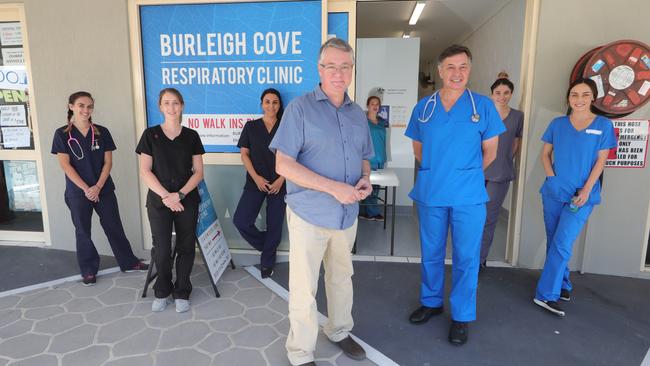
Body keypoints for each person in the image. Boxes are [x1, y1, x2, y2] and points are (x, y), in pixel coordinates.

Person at [269, 38, 373, 366]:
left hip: (346, 215)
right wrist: (333, 188)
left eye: (345, 67)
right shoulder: (300, 109)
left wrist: (365, 179)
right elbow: (282, 165)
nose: (338, 73)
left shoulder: (358, 114)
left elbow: (365, 158)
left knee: (342, 277)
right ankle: (300, 353)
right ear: (320, 69)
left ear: (352, 70)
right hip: (309, 215)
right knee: (304, 288)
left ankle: (339, 330)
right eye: (332, 66)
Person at [404, 45, 505, 345]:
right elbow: (418, 149)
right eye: (450, 67)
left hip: (468, 197)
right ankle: (432, 302)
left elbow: (491, 151)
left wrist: (464, 173)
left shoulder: (482, 106)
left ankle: (461, 316)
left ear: (469, 70)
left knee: (466, 257)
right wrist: (439, 171)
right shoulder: (424, 108)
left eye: (463, 67)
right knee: (431, 253)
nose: (457, 73)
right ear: (439, 71)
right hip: (432, 192)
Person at [533, 78, 616, 317]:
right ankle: (562, 284)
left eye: (584, 94)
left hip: (581, 197)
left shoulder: (602, 125)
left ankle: (545, 295)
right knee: (554, 241)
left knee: (562, 242)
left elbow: (601, 160)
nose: (578, 99)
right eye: (574, 95)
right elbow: (546, 155)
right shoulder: (557, 124)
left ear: (593, 97)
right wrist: (552, 179)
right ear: (568, 98)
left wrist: (587, 190)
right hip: (553, 193)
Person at [51, 91, 148, 286]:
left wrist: (97, 187)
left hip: (103, 189)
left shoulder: (101, 132)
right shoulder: (62, 134)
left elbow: (108, 163)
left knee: (114, 226)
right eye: (81, 105)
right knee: (82, 231)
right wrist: (87, 188)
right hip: (78, 192)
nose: (86, 110)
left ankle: (128, 262)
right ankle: (88, 270)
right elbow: (65, 165)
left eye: (89, 106)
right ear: (71, 106)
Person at [136, 88, 205, 313]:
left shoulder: (192, 136)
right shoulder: (150, 135)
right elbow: (145, 171)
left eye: (175, 103)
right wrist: (167, 197)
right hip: (159, 201)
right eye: (166, 103)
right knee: (162, 249)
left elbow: (198, 172)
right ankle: (162, 290)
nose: (171, 107)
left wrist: (180, 195)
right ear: (160, 107)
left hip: (186, 199)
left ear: (182, 106)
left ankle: (182, 290)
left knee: (186, 247)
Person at [233, 88, 286, 279]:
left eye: (275, 102)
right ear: (261, 104)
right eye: (267, 101)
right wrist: (255, 177)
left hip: (280, 183)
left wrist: (282, 179)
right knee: (241, 220)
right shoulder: (251, 127)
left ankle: (267, 261)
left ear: (280, 105)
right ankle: (267, 247)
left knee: (275, 224)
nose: (271, 105)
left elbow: (294, 156)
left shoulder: (286, 126)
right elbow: (244, 154)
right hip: (256, 181)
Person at [480, 73, 524, 267]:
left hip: (500, 173)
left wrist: (505, 160)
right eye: (498, 92)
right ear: (491, 94)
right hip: (477, 171)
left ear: (511, 94)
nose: (502, 96)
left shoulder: (517, 117)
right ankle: (466, 257)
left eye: (506, 92)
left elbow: (515, 143)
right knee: (471, 216)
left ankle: (479, 259)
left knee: (489, 217)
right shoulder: (483, 114)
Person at [359, 95, 388, 221]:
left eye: (377, 104)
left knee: (376, 187)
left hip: (380, 157)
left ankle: (364, 211)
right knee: (369, 185)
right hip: (368, 158)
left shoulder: (382, 122)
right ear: (368, 106)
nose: (375, 106)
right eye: (372, 104)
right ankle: (373, 212)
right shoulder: (363, 122)